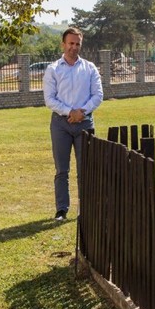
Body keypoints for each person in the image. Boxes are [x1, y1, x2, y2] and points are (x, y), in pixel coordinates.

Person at [43, 27, 103, 221]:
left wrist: (81, 112)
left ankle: (85, 209)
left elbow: (98, 95)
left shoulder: (90, 68)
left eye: (77, 44)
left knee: (85, 170)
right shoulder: (53, 69)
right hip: (61, 124)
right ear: (63, 44)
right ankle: (61, 210)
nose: (74, 47)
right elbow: (49, 99)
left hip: (84, 123)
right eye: (71, 43)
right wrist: (70, 112)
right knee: (62, 170)